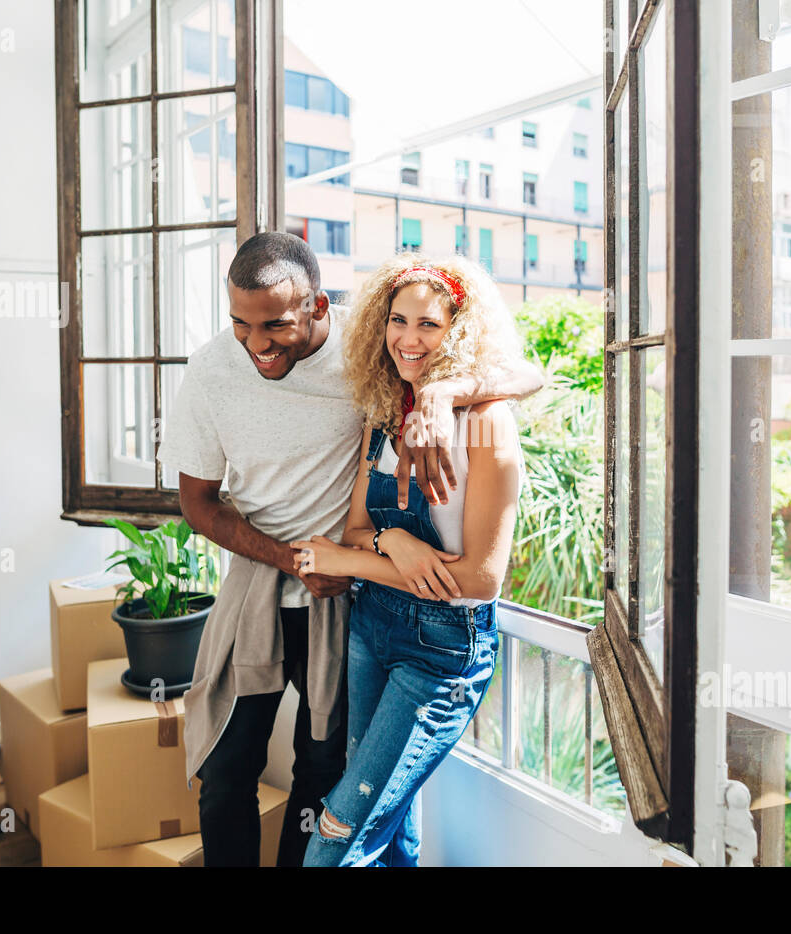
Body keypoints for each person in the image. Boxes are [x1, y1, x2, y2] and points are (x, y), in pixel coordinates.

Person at [156, 232, 542, 867]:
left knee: (324, 770)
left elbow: (525, 372)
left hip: (354, 603)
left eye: (274, 325)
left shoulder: (376, 364)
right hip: (266, 584)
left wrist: (445, 395)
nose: (256, 345)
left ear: (318, 308)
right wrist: (301, 560)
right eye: (239, 325)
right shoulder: (220, 371)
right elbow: (197, 504)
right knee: (226, 769)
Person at [294, 253, 525, 867]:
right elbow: (357, 528)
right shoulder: (383, 415)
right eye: (398, 321)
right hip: (372, 630)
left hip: (442, 650)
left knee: (339, 832)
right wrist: (389, 543)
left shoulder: (486, 424)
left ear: (459, 332)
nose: (408, 339)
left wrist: (348, 560)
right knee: (390, 832)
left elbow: (479, 578)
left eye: (429, 324)